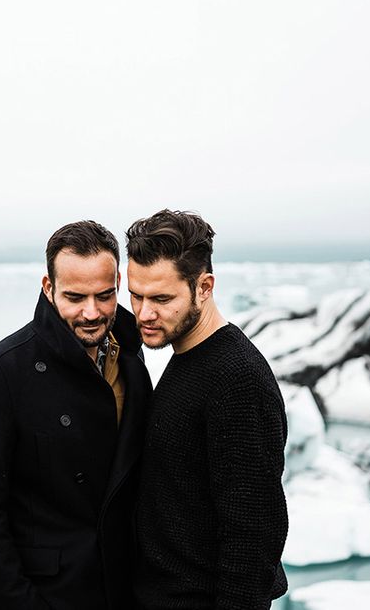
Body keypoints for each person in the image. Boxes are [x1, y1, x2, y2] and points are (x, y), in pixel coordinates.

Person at [0, 221, 152, 610]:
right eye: (75, 297)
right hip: (46, 597)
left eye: (105, 296)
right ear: (48, 288)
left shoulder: (130, 357)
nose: (91, 312)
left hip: (121, 592)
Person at [125, 209, 288, 610]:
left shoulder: (236, 378)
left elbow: (253, 536)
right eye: (136, 295)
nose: (144, 313)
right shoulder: (189, 358)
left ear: (204, 287)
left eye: (162, 298)